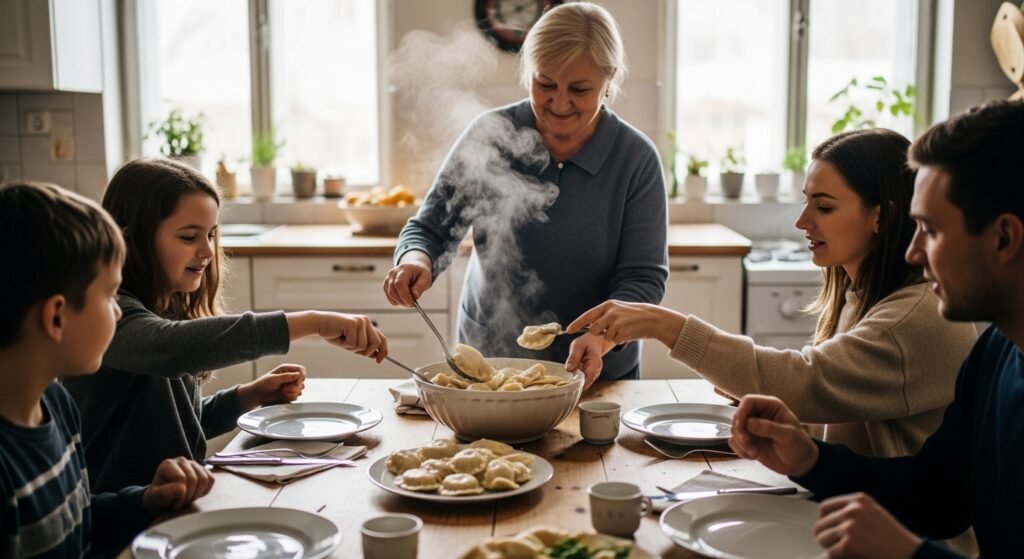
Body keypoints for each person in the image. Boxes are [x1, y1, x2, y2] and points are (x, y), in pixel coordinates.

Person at [728, 100, 1024, 558]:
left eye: (931, 230)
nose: (913, 252)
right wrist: (810, 459)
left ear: (1004, 238)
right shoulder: (996, 353)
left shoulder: (938, 326)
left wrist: (909, 554)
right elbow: (936, 495)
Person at [570, 128, 977, 458]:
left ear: (881, 216)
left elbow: (808, 381)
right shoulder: (860, 296)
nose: (803, 221)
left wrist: (665, 325)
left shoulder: (914, 319)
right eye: (806, 203)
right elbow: (831, 409)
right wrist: (770, 403)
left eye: (825, 206)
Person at [383, 2, 668, 386]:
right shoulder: (491, 134)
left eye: (580, 89)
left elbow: (643, 278)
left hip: (597, 373)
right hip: (490, 366)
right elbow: (431, 230)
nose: (560, 103)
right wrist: (416, 261)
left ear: (609, 78)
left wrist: (599, 338)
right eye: (545, 84)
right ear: (526, 71)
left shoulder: (635, 159)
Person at [64, 158, 389, 493]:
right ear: (131, 241)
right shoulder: (108, 315)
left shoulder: (167, 306)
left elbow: (183, 425)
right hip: (120, 521)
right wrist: (314, 323)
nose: (207, 250)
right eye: (189, 237)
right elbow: (171, 348)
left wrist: (249, 395)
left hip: (176, 506)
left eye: (211, 234)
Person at [0, 182, 213, 557]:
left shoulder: (57, 406)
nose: (118, 311)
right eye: (109, 295)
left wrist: (146, 500)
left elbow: (82, 522)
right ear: (56, 317)